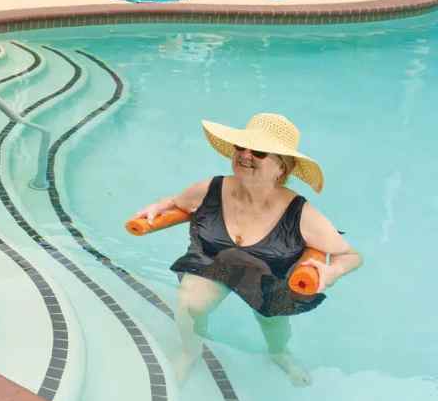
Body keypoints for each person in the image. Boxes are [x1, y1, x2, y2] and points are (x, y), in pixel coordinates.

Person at [131, 114, 361, 386]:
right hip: (216, 262)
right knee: (189, 304)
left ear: (281, 169)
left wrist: (331, 272)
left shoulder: (301, 214)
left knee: (272, 325)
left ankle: (279, 353)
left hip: (270, 275)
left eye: (259, 152)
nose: (245, 155)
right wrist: (159, 206)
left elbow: (351, 256)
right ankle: (190, 350)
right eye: (241, 147)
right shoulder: (211, 188)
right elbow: (178, 202)